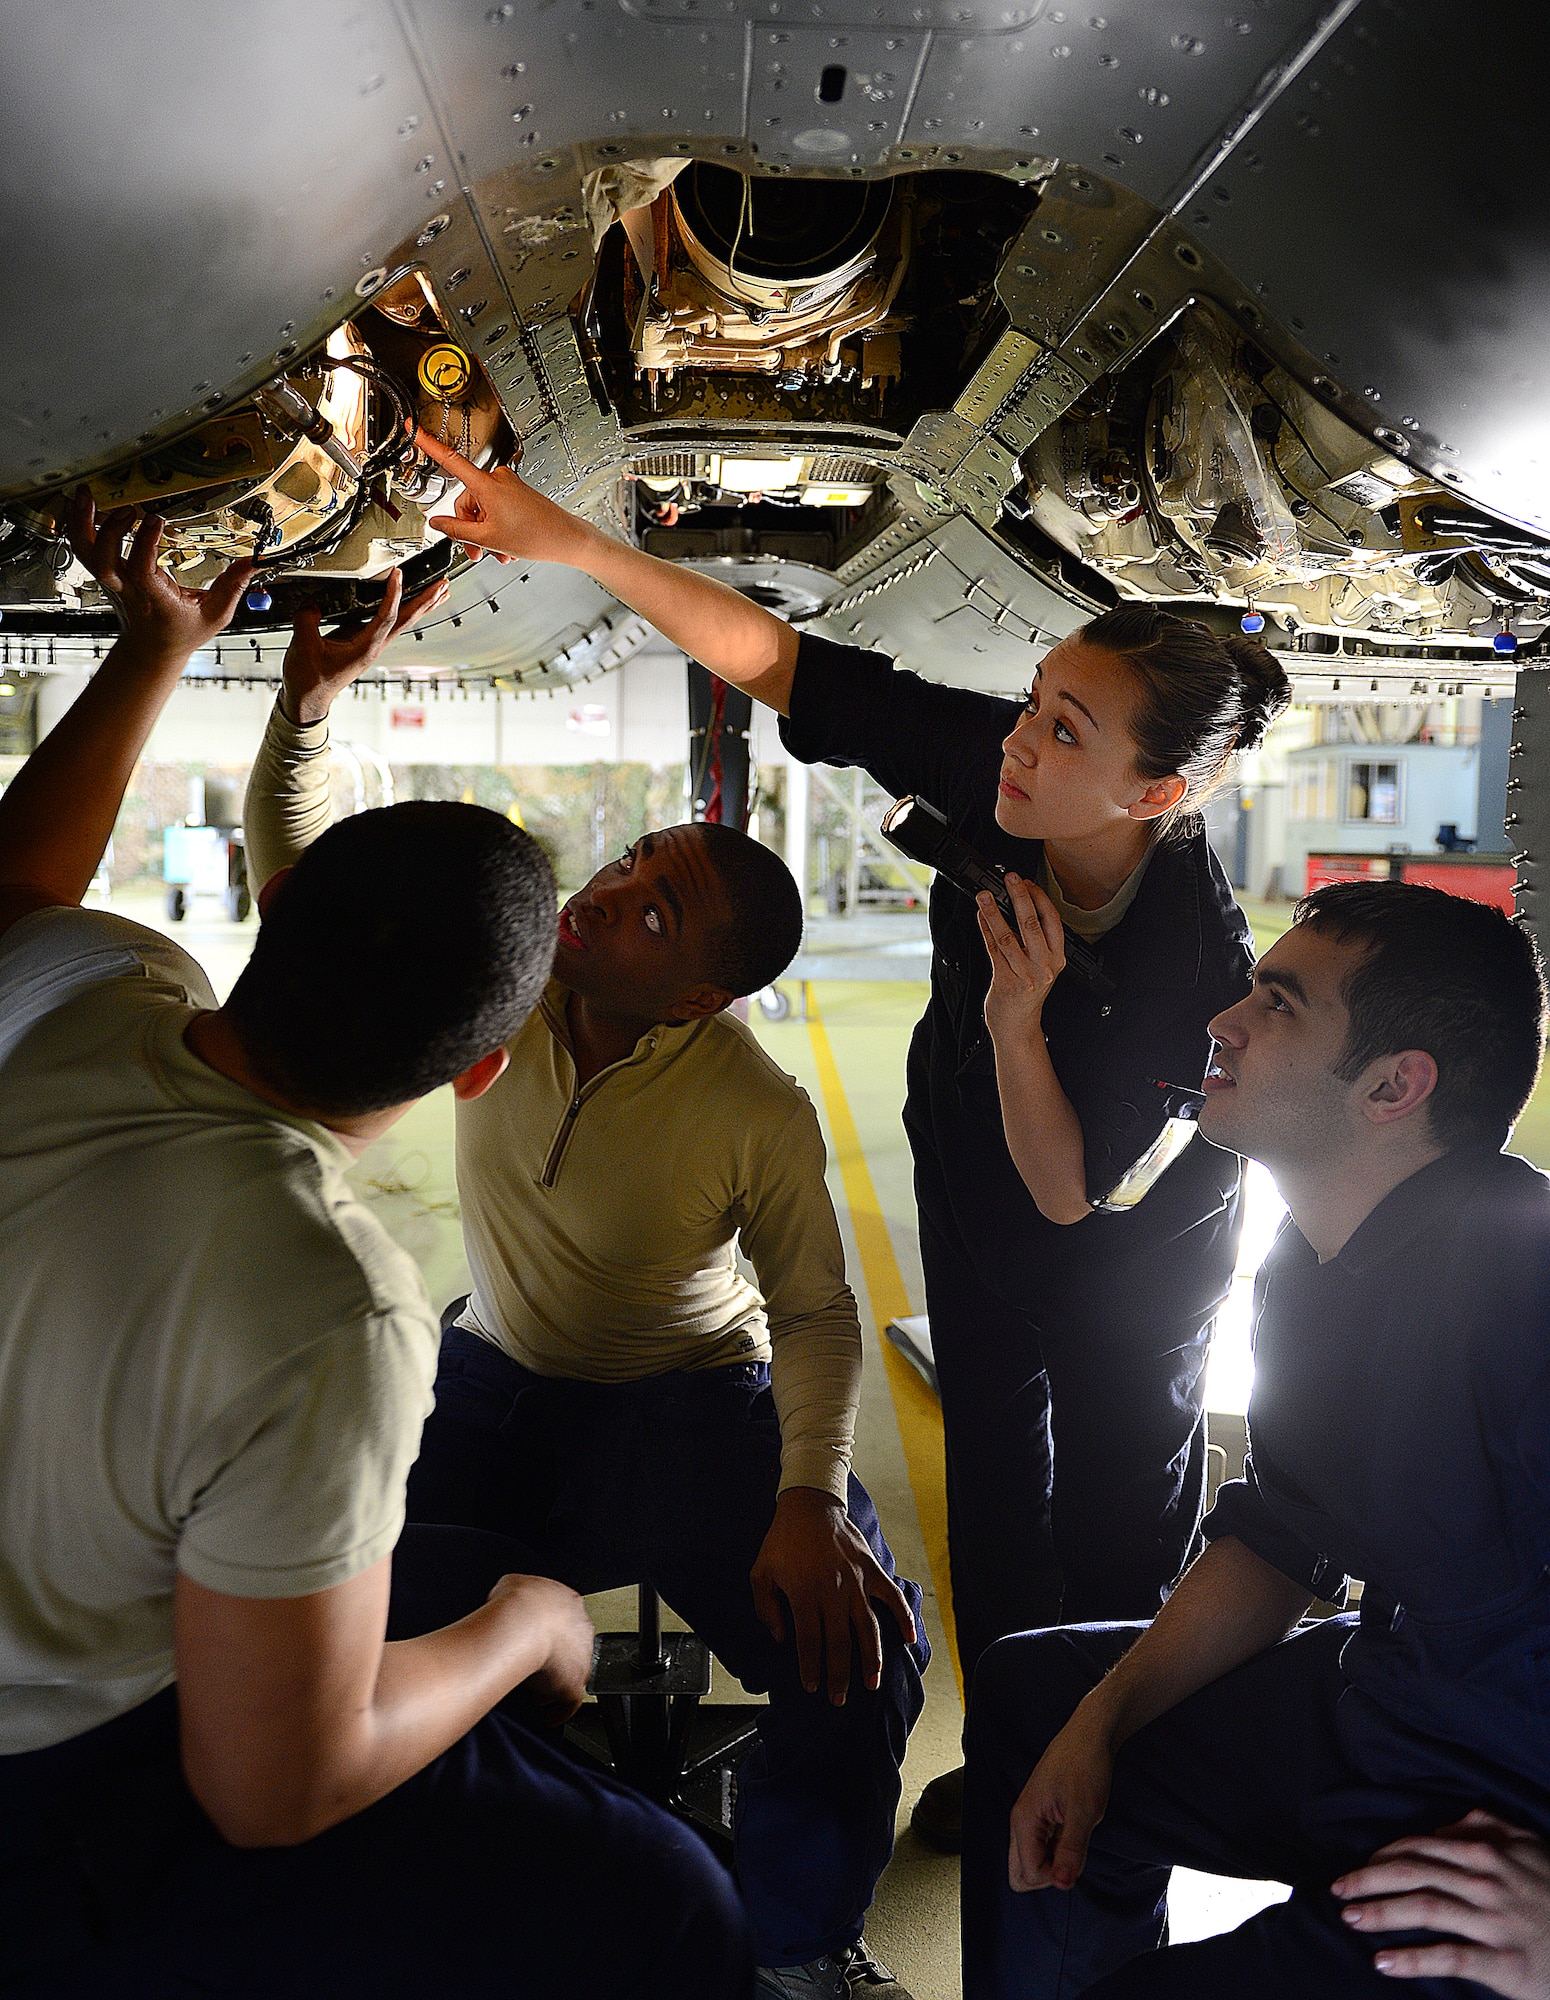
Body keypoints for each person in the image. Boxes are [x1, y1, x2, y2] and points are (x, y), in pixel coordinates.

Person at [404, 424, 1290, 1851]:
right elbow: (785, 664)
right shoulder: (1004, 775)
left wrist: (1016, 1020)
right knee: (998, 1488)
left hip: (1131, 1261)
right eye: (1034, 699)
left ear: (1157, 794)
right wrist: (571, 541)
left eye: (1066, 729)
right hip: (980, 1201)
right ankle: (1004, 1757)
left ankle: (1106, 1770)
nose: (1019, 738)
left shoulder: (1191, 965)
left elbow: (1075, 1195)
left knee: (1125, 1501)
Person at [0, 494, 754, 2000]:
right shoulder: (334, 1306)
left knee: (457, 1554)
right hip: (53, 1793)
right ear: (475, 1072)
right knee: (666, 1900)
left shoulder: (88, 1000)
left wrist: (159, 647)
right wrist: (523, 1630)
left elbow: (18, 887)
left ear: (269, 919)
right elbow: (271, 1790)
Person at [241, 576, 929, 2000]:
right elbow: (314, 902)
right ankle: (477, 1890)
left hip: (691, 1409)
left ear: (695, 1001)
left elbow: (810, 1309)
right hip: (490, 1383)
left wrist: (807, 1500)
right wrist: (307, 716)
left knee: (857, 1647)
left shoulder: (754, 1103)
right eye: (629, 863)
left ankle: (799, 1945)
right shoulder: (510, 987)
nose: (607, 893)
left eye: (654, 911)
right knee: (347, 1628)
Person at [959, 881, 1550, 1998]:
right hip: (1384, 1710)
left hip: (1503, 1815)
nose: (1224, 1019)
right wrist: (1103, 1718)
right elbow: (1281, 1534)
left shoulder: (1523, 1279)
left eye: (1276, 1002)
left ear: (1392, 1085)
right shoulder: (1309, 1254)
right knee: (1039, 1696)